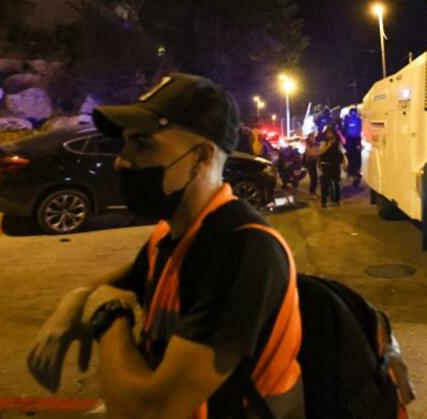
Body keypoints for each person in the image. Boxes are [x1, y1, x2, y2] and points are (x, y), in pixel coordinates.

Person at [27, 74, 304, 418]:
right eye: (123, 144)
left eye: (142, 145)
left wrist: (109, 318)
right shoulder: (170, 234)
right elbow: (119, 284)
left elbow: (152, 411)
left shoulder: (243, 250)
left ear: (201, 156)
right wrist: (75, 301)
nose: (121, 160)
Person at [317, 123, 344, 208]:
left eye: (331, 132)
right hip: (326, 165)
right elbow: (320, 152)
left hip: (335, 164)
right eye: (328, 132)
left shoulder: (336, 141)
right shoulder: (324, 142)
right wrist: (328, 145)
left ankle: (337, 199)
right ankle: (324, 202)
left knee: (336, 182)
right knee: (325, 184)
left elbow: (343, 144)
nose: (330, 134)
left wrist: (339, 134)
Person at [342, 108, 363, 188]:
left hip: (355, 140)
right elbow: (344, 129)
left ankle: (354, 175)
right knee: (352, 157)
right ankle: (352, 173)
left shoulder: (358, 120)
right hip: (350, 140)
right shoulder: (348, 119)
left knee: (355, 158)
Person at [303, 129, 320, 198]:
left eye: (314, 137)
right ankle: (311, 193)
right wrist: (317, 153)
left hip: (314, 163)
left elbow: (318, 153)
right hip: (310, 163)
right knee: (313, 178)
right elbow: (311, 153)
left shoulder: (315, 145)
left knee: (315, 178)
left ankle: (313, 192)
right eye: (312, 137)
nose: (313, 138)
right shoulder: (308, 146)